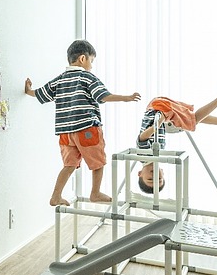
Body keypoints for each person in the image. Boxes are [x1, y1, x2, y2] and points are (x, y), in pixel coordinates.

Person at [25, 39, 141, 206]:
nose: (91, 66)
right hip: (86, 128)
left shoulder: (59, 80)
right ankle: (95, 193)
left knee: (69, 165)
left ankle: (56, 196)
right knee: (98, 162)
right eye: (91, 61)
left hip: (65, 133)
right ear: (82, 59)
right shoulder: (86, 77)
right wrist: (126, 98)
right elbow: (103, 96)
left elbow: (40, 94)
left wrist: (28, 90)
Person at [135, 90, 217, 193]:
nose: (155, 176)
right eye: (159, 178)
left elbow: (142, 138)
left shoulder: (144, 157)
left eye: (150, 179)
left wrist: (156, 126)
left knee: (191, 121)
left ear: (140, 174)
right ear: (163, 172)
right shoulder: (158, 156)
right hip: (160, 114)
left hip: (159, 109)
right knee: (190, 120)